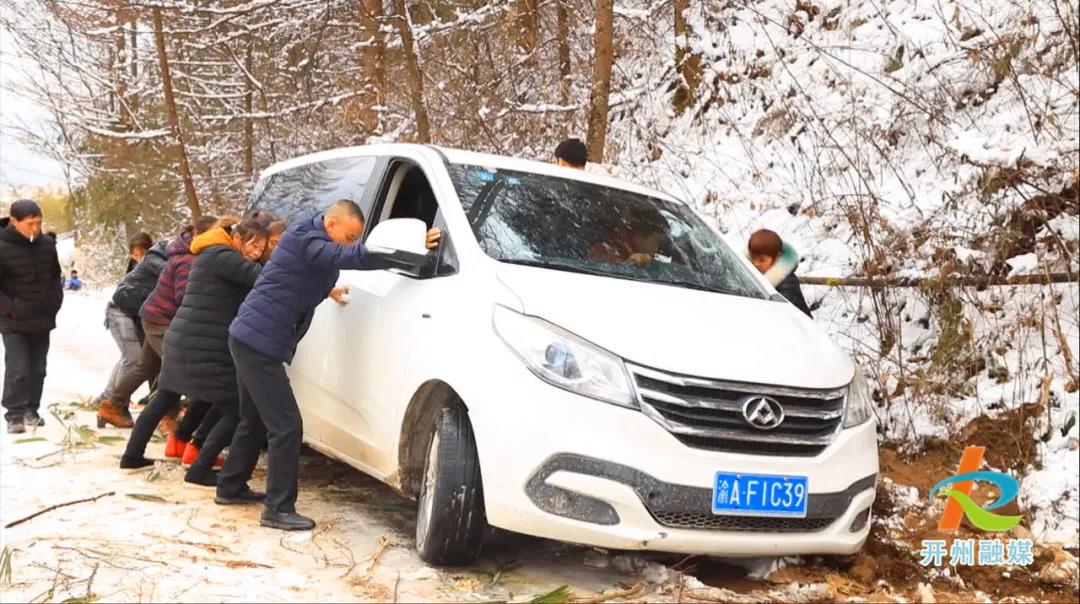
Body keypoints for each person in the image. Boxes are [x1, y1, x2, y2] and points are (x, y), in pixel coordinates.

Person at [215, 200, 441, 530]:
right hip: (258, 344)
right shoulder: (305, 238)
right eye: (349, 235)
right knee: (287, 425)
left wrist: (328, 291)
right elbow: (343, 257)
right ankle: (278, 508)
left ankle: (230, 486)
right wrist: (404, 250)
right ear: (331, 223)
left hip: (250, 336)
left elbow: (307, 274)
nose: (351, 242)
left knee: (253, 419)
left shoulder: (311, 238)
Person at [119, 215, 272, 490]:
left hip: (184, 337)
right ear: (237, 239)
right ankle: (200, 469)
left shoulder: (210, 252)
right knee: (235, 408)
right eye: (254, 246)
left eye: (262, 249)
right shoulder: (224, 256)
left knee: (164, 396)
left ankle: (132, 456)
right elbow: (262, 279)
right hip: (200, 342)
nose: (256, 253)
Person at [107, 215, 219, 447]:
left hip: (153, 314)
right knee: (174, 369)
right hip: (158, 318)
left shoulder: (184, 252)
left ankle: (112, 404)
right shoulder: (182, 258)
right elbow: (184, 297)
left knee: (146, 366)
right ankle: (168, 419)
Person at [0, 200, 63, 434]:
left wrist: (55, 301)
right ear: (14, 222)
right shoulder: (2, 246)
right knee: (18, 366)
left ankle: (31, 409)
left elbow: (55, 276)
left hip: (42, 316)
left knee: (38, 368)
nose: (35, 228)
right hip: (13, 319)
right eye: (29, 224)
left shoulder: (47, 243)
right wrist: (11, 308)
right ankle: (14, 414)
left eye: (38, 222)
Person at [97, 232, 169, 428]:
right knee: (134, 359)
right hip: (123, 312)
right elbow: (171, 275)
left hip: (144, 314)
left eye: (142, 252)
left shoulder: (158, 259)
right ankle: (111, 401)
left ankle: (117, 402)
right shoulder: (156, 260)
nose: (139, 257)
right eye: (135, 254)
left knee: (149, 361)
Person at [747, 229, 812, 317]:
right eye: (753, 257)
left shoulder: (787, 284)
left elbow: (778, 314)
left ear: (777, 257)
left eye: (762, 260)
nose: (756, 263)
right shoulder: (755, 272)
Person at [586, 208, 668, 267]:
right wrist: (628, 265)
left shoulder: (645, 258)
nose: (657, 249)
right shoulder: (603, 250)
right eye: (657, 241)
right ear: (640, 237)